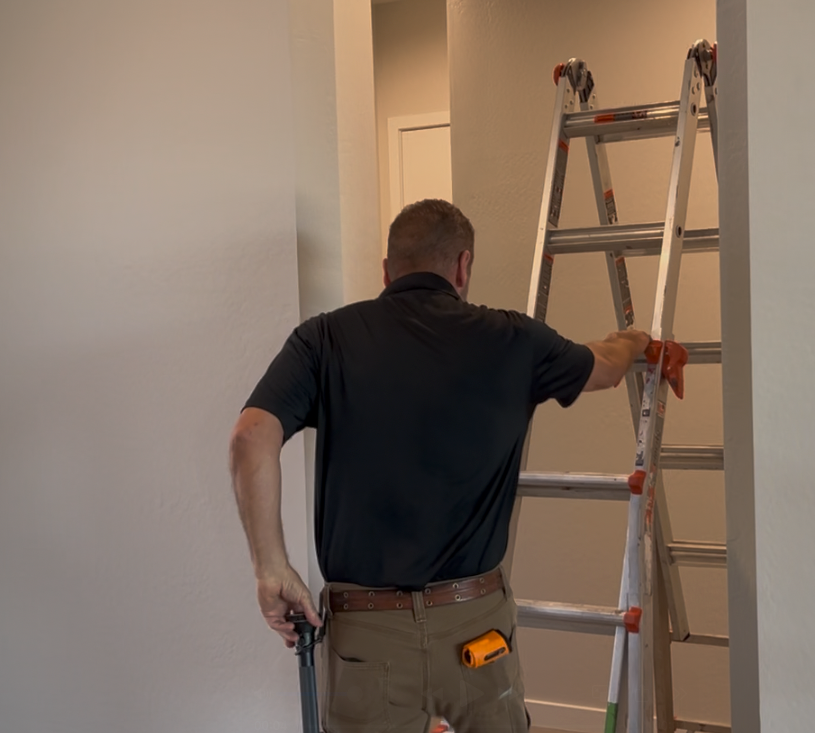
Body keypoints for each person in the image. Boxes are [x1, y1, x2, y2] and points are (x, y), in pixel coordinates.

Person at [229, 199, 652, 732]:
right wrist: (636, 339)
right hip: (476, 626)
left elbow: (250, 435)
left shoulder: (324, 338)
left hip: (367, 634)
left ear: (386, 271)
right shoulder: (514, 338)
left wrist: (271, 570)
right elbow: (608, 367)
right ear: (463, 266)